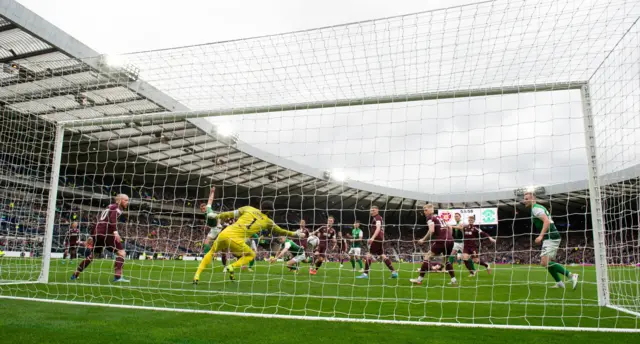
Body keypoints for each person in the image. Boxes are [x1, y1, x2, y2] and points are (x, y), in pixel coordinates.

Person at [71, 194, 130, 282]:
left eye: (127, 200)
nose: (127, 202)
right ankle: (118, 277)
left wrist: (92, 235)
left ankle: (75, 274)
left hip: (98, 233)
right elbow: (112, 219)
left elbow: (98, 221)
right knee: (121, 253)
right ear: (120, 200)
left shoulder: (109, 207)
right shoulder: (117, 207)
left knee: (93, 255)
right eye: (125, 200)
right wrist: (115, 231)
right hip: (107, 233)